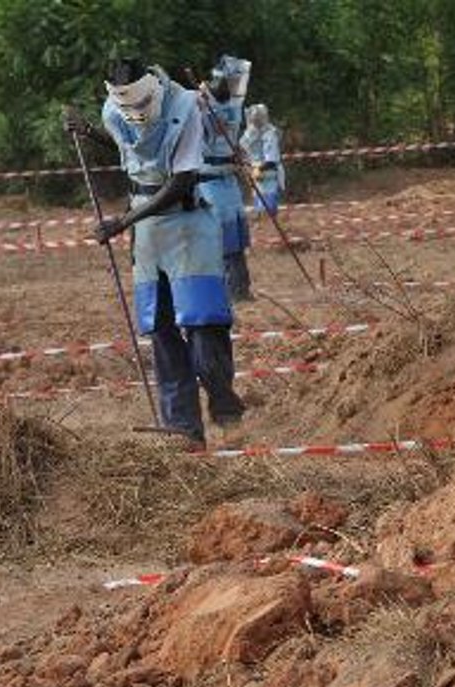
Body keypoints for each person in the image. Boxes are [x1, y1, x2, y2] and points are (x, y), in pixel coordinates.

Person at [64, 58, 244, 448]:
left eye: (141, 107)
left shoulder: (185, 108)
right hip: (146, 235)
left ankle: (221, 392)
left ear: (153, 91)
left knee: (202, 324)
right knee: (160, 328)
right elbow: (130, 147)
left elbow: (180, 182)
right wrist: (89, 132)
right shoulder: (115, 109)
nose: (135, 114)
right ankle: (184, 429)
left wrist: (122, 222)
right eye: (126, 109)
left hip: (188, 225)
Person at [199, 54, 254, 301]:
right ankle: (224, 289)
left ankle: (241, 288)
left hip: (229, 178)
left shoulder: (234, 104)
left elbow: (235, 136)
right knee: (219, 238)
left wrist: (239, 151)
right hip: (209, 180)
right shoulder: (198, 103)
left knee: (237, 236)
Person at [240, 103, 285, 217]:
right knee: (259, 211)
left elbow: (271, 160)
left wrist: (258, 169)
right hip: (256, 176)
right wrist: (248, 167)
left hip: (269, 176)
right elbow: (243, 150)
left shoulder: (270, 134)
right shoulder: (250, 133)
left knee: (269, 212)